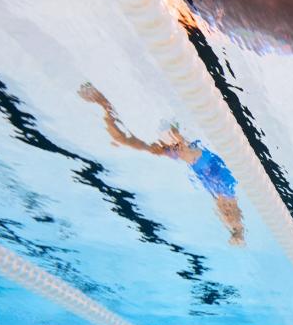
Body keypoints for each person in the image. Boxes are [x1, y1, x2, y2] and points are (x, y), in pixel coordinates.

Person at [78, 83, 245, 246]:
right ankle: (103, 103)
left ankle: (104, 103)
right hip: (187, 148)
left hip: (184, 148)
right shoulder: (225, 186)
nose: (223, 213)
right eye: (226, 212)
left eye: (224, 214)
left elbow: (232, 217)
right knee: (134, 142)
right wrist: (237, 232)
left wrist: (237, 232)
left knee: (126, 141)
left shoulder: (216, 190)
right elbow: (233, 215)